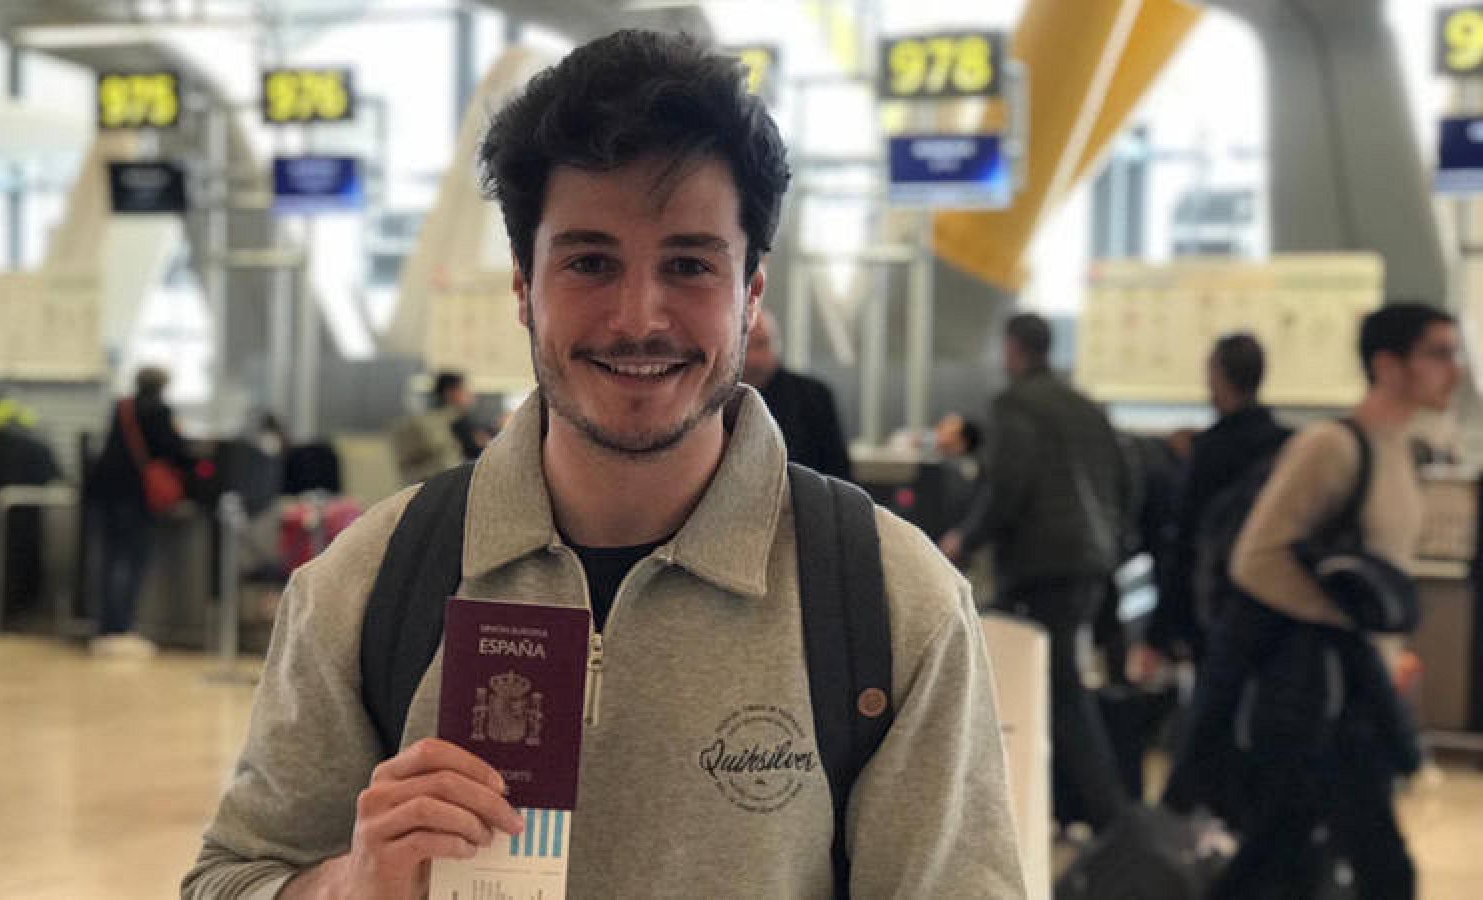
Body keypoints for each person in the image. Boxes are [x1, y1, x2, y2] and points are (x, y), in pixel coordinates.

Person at [185, 30, 1023, 899]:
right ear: (522, 283)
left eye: (690, 264)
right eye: (589, 262)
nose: (637, 316)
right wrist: (351, 884)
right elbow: (231, 877)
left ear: (752, 291)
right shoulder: (369, 584)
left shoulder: (889, 602)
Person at [1176, 304, 1459, 900]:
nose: (1453, 370)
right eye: (1437, 353)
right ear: (1387, 364)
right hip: (1314, 696)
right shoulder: (1331, 446)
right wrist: (1349, 620)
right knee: (1369, 868)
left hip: (1358, 691)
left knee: (1288, 861)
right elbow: (1255, 559)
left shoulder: (1401, 449)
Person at [939, 312, 1131, 834]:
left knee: (1052, 687)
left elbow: (1007, 486)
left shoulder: (1016, 405)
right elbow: (1122, 477)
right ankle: (1075, 810)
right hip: (1090, 563)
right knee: (1058, 683)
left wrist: (963, 540)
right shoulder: (1086, 407)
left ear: (1013, 350)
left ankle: (1110, 818)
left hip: (1042, 566)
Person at [1148, 333, 1290, 667]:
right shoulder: (1286, 446)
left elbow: (1185, 540)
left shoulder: (1209, 451)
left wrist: (1160, 630)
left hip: (1215, 603)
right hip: (1273, 600)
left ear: (1218, 377)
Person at [87, 366, 190, 657]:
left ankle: (105, 629)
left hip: (105, 494)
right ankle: (122, 628)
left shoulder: (122, 407)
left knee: (109, 562)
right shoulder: (159, 411)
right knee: (132, 562)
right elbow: (173, 450)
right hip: (136, 497)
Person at [0, 398, 63, 623]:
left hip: (0, 521)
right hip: (32, 520)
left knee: (3, 564)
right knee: (29, 562)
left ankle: (4, 612)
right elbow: (56, 476)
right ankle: (26, 610)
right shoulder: (39, 446)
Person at [741, 308, 853, 480]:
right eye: (746, 346)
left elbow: (838, 472)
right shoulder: (715, 399)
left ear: (777, 345)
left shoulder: (814, 396)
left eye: (761, 344)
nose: (753, 358)